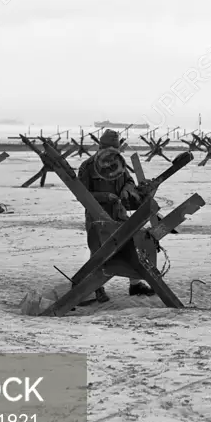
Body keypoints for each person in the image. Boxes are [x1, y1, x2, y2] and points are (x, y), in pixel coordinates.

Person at [75, 129, 156, 303]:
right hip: (97, 215)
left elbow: (128, 180)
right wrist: (106, 197)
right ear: (101, 147)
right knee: (98, 250)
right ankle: (96, 287)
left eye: (115, 149)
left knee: (130, 244)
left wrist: (128, 188)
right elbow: (82, 194)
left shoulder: (119, 163)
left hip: (119, 212)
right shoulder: (87, 167)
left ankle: (135, 284)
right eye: (108, 148)